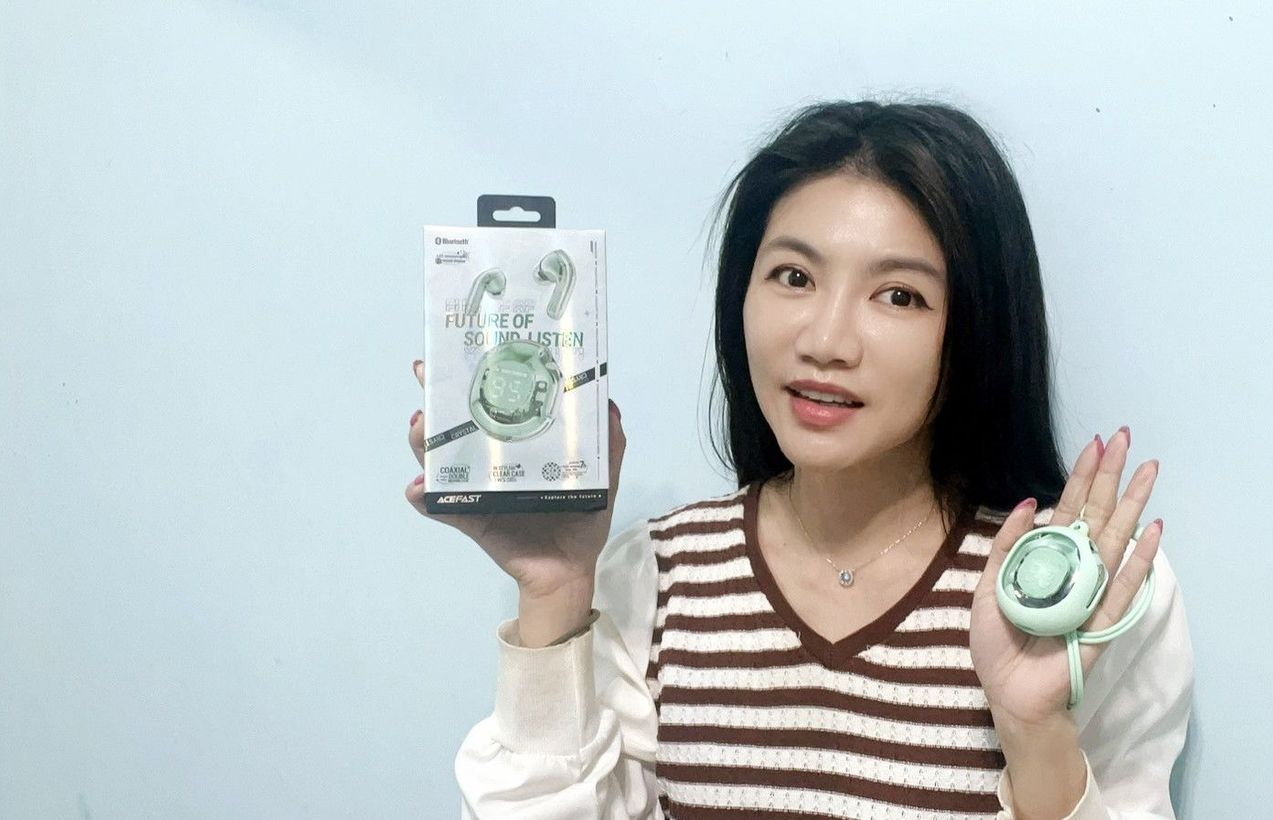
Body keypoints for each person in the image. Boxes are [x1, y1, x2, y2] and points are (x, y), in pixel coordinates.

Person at [406, 99, 1193, 819]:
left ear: (978, 328)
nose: (824, 340)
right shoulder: (657, 578)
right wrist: (555, 591)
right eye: (794, 276)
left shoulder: (1073, 600)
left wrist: (1032, 733)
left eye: (899, 295)